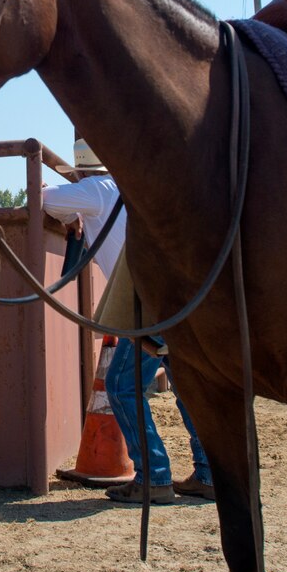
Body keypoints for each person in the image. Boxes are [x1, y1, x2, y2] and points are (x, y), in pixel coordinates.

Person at [43, 141, 214, 502]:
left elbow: (45, 199)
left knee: (121, 386)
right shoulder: (126, 188)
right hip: (173, 301)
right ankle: (210, 472)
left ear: (83, 172)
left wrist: (59, 202)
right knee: (185, 386)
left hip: (145, 305)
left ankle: (155, 477)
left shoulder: (95, 190)